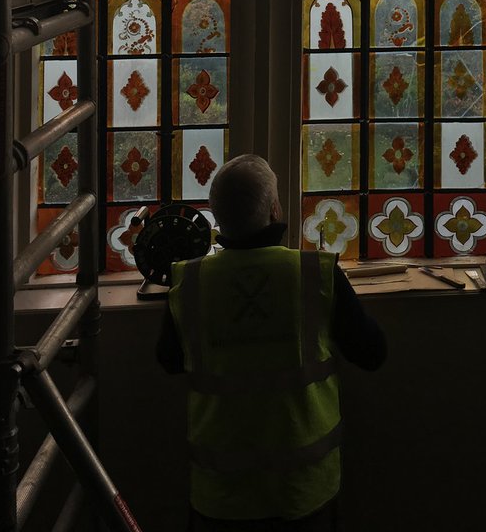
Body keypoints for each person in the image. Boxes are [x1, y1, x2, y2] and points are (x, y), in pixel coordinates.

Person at [157, 154, 387, 531]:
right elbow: (373, 352)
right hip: (302, 491)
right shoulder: (315, 274)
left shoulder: (190, 282)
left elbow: (167, 359)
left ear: (217, 218)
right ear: (275, 209)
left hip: (221, 497)